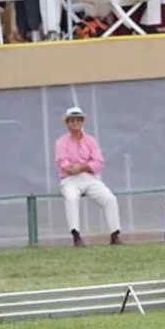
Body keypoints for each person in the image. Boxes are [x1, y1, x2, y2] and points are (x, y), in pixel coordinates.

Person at [54, 106, 122, 247]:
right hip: (69, 180)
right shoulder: (61, 142)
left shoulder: (91, 140)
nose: (75, 123)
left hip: (89, 178)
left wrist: (81, 167)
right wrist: (79, 167)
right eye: (72, 120)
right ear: (67, 123)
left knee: (110, 198)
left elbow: (99, 162)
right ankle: (76, 235)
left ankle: (115, 235)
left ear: (82, 122)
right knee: (71, 198)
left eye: (78, 120)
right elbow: (63, 163)